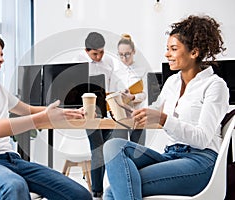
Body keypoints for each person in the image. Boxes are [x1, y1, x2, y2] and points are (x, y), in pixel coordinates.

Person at [0, 32, 92, 200]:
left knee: (80, 194)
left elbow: (28, 110)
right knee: (14, 186)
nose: (1, 59)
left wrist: (64, 112)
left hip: (11, 160)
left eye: (2, 55)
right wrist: (43, 118)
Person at [103, 15, 229, 200]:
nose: (167, 54)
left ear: (193, 52)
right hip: (170, 155)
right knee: (113, 146)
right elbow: (155, 108)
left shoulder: (214, 86)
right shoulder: (172, 82)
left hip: (200, 160)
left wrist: (162, 119)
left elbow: (202, 139)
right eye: (167, 49)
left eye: (173, 49)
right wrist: (129, 107)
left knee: (114, 189)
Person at [74, 32, 127, 199]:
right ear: (86, 50)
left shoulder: (109, 62)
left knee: (109, 150)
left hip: (107, 111)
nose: (99, 56)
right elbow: (73, 90)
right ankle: (97, 192)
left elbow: (111, 85)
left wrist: (120, 92)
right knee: (97, 150)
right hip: (89, 112)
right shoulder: (78, 62)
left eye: (101, 52)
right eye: (95, 53)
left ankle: (110, 190)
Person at [111, 33, 148, 145]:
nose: (124, 58)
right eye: (121, 55)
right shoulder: (115, 73)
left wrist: (132, 97)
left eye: (127, 54)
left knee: (138, 151)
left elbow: (145, 94)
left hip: (138, 114)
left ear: (134, 51)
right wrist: (118, 96)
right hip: (120, 116)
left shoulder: (142, 70)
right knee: (119, 149)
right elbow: (110, 95)